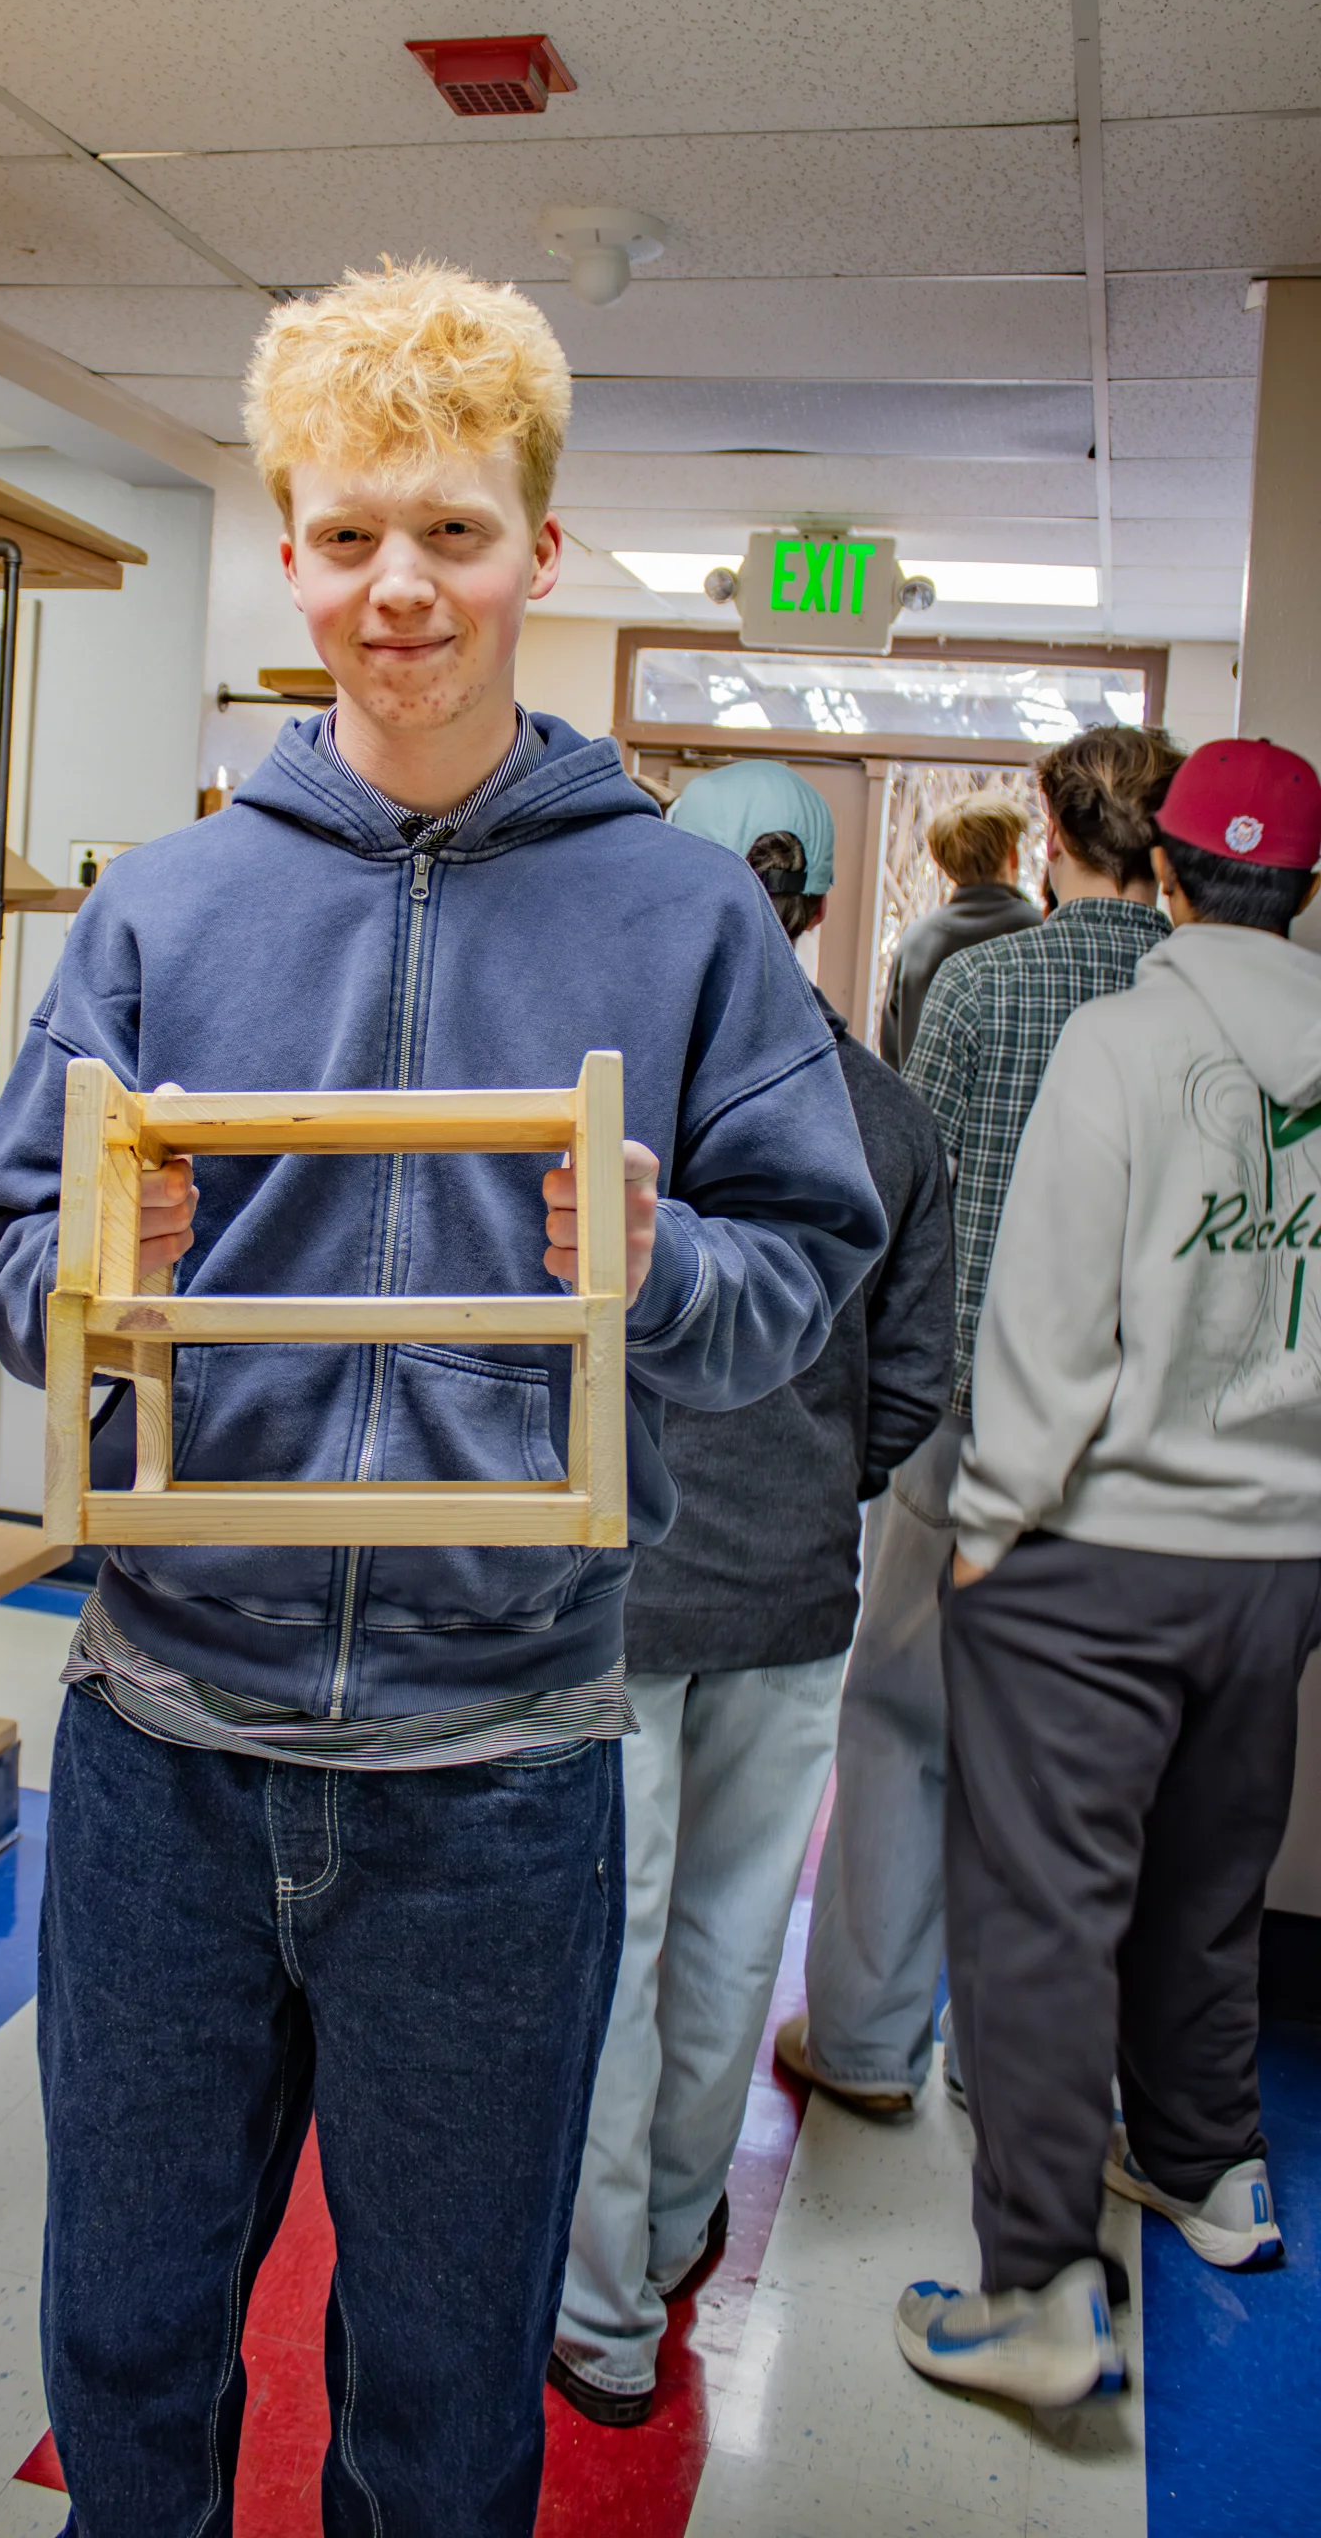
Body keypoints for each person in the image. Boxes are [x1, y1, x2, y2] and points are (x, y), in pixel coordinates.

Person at [0, 261, 887, 2537]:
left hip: (500, 1775)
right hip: (171, 1743)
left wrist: (661, 1264)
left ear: (538, 550)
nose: (402, 588)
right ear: (289, 544)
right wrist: (88, 1268)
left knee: (447, 2388)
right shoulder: (166, 905)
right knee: (127, 2341)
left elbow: (812, 1270)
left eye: (454, 533)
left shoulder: (677, 918)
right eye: (353, 531)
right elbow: (5, 1251)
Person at [897, 737, 1321, 2405]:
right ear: (1304, 889)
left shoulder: (1123, 1041)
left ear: (1162, 875)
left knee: (1040, 1923)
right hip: (1279, 1558)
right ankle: (1216, 2174)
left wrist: (992, 1517)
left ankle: (1040, 2296)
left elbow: (1052, 1313)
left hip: (1101, 1553)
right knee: (1213, 1888)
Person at [549, 762, 952, 2428]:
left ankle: (598, 2318)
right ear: (819, 902)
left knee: (610, 1947)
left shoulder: (598, 1113)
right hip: (793, 1593)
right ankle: (667, 2237)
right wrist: (800, 1490)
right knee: (725, 1938)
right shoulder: (885, 1112)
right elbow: (912, 1388)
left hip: (613, 1596)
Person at [780, 720, 1184, 2116]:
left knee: (901, 1724)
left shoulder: (979, 985)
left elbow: (917, 1217)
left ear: (1049, 834)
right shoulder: (1208, 1009)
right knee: (1106, 1769)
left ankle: (870, 2048)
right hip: (1146, 1444)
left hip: (969, 1412)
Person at [877, 789, 1040, 1069]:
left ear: (945, 864)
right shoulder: (1042, 933)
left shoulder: (915, 942)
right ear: (1012, 856)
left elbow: (892, 1058)